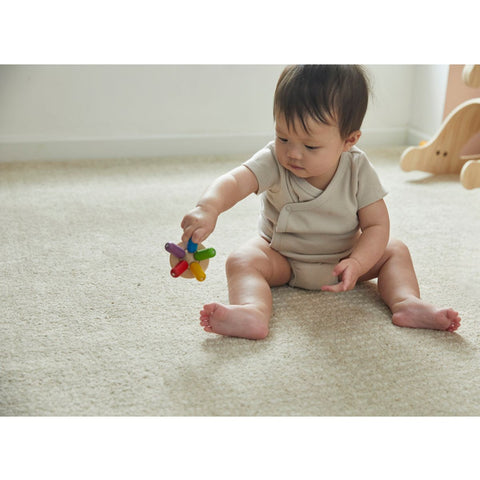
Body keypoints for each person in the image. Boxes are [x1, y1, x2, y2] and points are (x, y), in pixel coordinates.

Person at [180, 65, 461, 340]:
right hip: (281, 257)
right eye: (283, 137)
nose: (293, 153)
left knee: (395, 250)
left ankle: (406, 302)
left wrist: (359, 262)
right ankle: (252, 311)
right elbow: (235, 182)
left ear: (348, 140)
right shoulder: (272, 160)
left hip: (344, 259)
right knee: (242, 259)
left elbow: (376, 225)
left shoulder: (357, 169)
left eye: (310, 146)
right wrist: (209, 207)